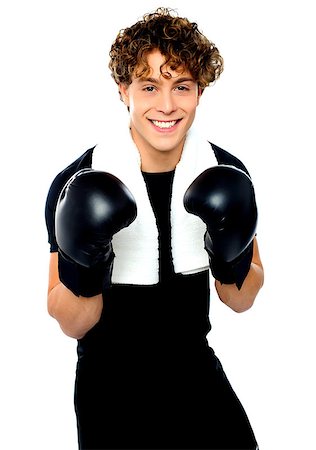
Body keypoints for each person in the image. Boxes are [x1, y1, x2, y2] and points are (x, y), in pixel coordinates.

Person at [45, 7, 264, 450]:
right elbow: (73, 322)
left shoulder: (223, 172)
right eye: (149, 86)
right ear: (123, 90)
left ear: (199, 91)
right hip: (108, 388)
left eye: (181, 86)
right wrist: (86, 262)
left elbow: (239, 298)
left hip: (195, 372)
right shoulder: (79, 180)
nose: (166, 105)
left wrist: (231, 252)